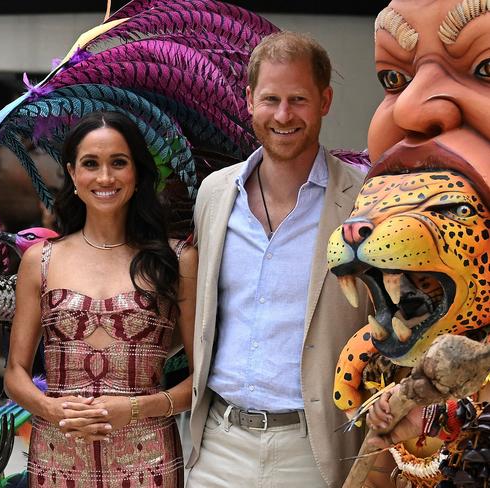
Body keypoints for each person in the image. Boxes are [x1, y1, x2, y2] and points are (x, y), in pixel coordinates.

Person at [186, 31, 370, 487]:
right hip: (218, 445)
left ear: (325, 101)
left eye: (298, 99)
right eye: (270, 99)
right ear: (249, 100)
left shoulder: (365, 200)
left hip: (314, 449)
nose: (283, 115)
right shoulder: (214, 194)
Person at [4, 111, 197, 488]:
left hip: (147, 458)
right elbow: (15, 374)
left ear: (137, 174)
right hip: (58, 454)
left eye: (119, 163)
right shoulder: (40, 261)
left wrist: (136, 407)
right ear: (73, 174)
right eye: (91, 164)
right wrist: (49, 407)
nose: (105, 177)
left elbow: (201, 379)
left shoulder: (177, 260)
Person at [356, 0, 490, 485]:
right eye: (393, 79)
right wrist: (379, 441)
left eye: (487, 67)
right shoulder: (399, 332)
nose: (411, 107)